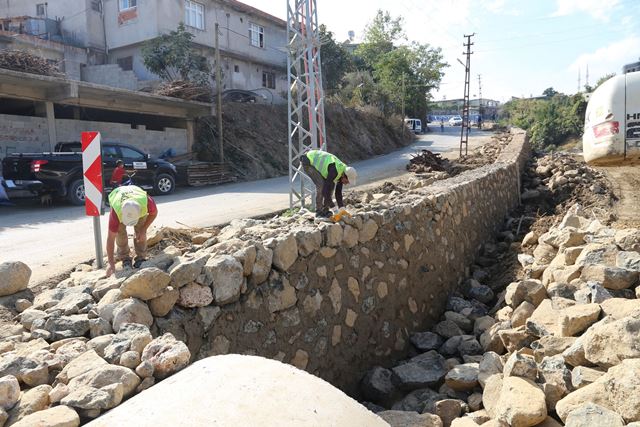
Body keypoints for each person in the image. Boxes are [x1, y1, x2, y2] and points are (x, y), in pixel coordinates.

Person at [105, 185, 157, 276]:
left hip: (136, 198)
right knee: (120, 234)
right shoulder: (116, 212)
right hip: (118, 195)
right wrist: (111, 263)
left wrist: (143, 230)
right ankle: (125, 258)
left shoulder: (147, 202)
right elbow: (110, 239)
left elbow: (154, 213)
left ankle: (141, 257)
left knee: (140, 232)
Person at [301, 149, 357, 218]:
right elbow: (325, 192)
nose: (345, 184)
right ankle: (319, 211)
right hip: (308, 161)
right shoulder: (335, 171)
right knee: (321, 186)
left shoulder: (342, 173)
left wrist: (342, 209)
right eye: (346, 181)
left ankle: (325, 210)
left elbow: (338, 193)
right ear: (344, 176)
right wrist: (335, 210)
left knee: (331, 186)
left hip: (317, 164)